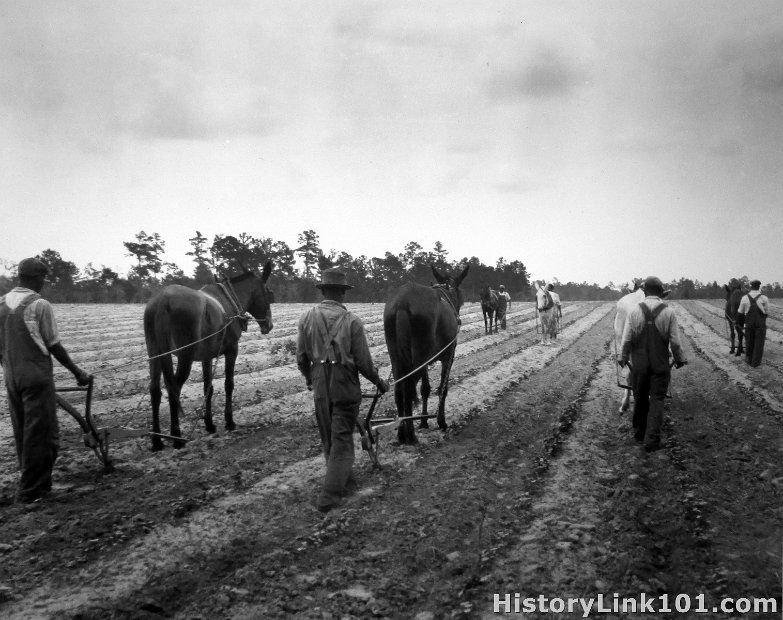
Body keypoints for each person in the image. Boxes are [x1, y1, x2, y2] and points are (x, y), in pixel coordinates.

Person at [296, 268, 389, 512]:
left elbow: (301, 358)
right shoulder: (352, 321)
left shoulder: (306, 318)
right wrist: (379, 382)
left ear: (323, 291)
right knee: (342, 441)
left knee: (328, 437)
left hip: (319, 384)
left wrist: (310, 378)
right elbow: (364, 363)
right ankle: (329, 496)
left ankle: (344, 480)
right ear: (343, 294)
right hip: (345, 384)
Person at [0, 257, 91, 503]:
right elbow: (53, 344)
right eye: (43, 278)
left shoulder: (1, 303)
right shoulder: (40, 304)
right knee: (43, 433)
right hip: (36, 376)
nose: (44, 283)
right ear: (35, 278)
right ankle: (34, 491)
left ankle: (31, 482)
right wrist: (77, 372)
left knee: (23, 430)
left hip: (12, 377)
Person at [619, 276, 687, 452]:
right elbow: (676, 343)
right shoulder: (669, 312)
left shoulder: (634, 311)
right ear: (660, 292)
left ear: (645, 291)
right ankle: (652, 440)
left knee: (640, 397)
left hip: (640, 366)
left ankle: (639, 434)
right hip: (660, 365)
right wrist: (679, 359)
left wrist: (623, 357)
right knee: (657, 400)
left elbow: (626, 339)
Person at [737, 280, 769, 367]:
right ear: (759, 287)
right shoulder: (764, 298)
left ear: (751, 287)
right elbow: (766, 312)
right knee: (759, 343)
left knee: (749, 341)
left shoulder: (744, 298)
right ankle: (755, 362)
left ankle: (749, 359)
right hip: (760, 324)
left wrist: (738, 324)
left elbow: (740, 313)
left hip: (749, 323)